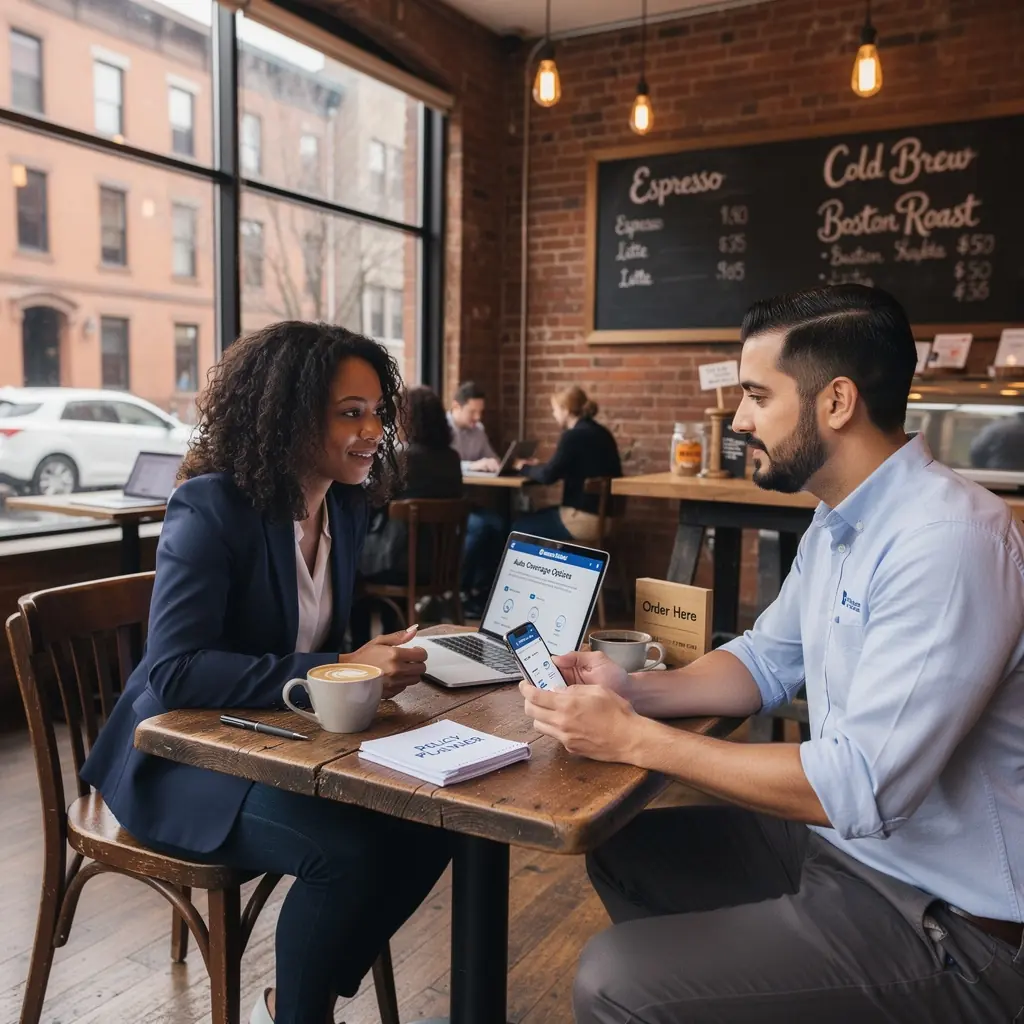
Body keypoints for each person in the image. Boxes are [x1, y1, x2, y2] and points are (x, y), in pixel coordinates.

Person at [521, 285, 1024, 1023]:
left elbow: (861, 787)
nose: (739, 419)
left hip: (950, 923)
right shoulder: (839, 519)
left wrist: (635, 739)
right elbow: (762, 660)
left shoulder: (948, 542)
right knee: (625, 851)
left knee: (614, 980)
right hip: (843, 852)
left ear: (837, 402)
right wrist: (632, 693)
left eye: (757, 395)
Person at [81, 322, 452, 1024]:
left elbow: (310, 639)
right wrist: (338, 668)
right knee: (344, 853)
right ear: (289, 417)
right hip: (176, 757)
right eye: (350, 413)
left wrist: (365, 669)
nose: (373, 431)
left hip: (277, 741)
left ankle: (293, 1001)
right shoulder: (211, 507)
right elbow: (175, 671)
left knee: (437, 819)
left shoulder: (344, 503)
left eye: (377, 411)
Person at [354, 385, 462, 639]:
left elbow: (373, 501)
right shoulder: (452, 458)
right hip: (440, 565)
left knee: (350, 568)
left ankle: (358, 645)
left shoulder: (401, 457)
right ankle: (393, 633)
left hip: (397, 563)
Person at [512, 385, 622, 543]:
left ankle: (541, 560)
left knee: (520, 526)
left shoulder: (572, 436)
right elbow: (570, 468)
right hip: (609, 519)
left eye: (555, 409)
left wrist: (522, 467)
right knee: (539, 518)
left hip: (583, 520)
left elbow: (548, 476)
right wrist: (539, 466)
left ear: (565, 410)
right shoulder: (602, 432)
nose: (553, 414)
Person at [448, 380, 500, 473]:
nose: (478, 417)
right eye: (472, 412)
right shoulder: (439, 428)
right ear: (456, 406)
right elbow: (440, 464)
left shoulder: (478, 430)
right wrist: (471, 466)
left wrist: (511, 464)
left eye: (480, 412)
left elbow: (492, 458)